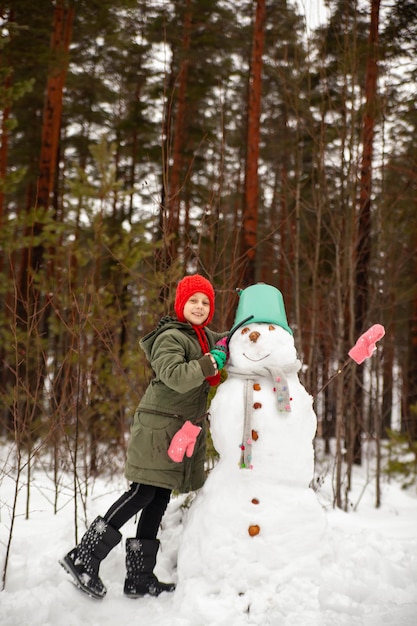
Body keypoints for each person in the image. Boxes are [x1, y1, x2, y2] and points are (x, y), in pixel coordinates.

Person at [59, 274, 229, 600]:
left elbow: (230, 340)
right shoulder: (171, 337)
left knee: (158, 498)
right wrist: (210, 363)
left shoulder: (204, 337)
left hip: (177, 430)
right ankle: (83, 557)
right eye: (193, 300)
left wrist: (246, 334)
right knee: (141, 493)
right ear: (181, 305)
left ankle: (139, 577)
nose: (199, 306)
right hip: (156, 427)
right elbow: (177, 377)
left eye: (205, 301)